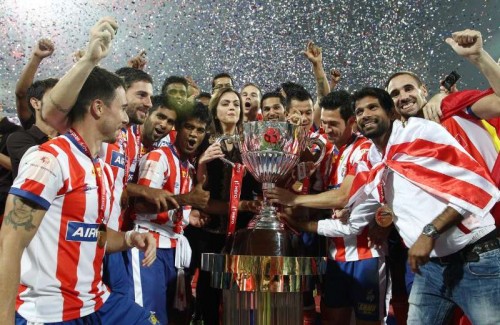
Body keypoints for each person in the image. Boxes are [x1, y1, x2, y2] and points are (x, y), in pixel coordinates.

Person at [284, 87, 500, 324]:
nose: (365, 114)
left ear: (391, 112)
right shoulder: (375, 162)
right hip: (431, 268)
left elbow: (474, 185)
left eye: (372, 107)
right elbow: (352, 223)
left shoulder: (420, 133)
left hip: (475, 258)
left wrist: (430, 232)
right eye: (360, 111)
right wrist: (302, 223)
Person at [0, 55, 157, 325]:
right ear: (97, 108)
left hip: (97, 302)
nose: (124, 117)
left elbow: (91, 234)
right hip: (48, 312)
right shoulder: (49, 159)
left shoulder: (102, 169)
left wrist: (131, 238)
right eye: (121, 108)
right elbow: (10, 243)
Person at [267, 91, 386, 324]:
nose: (327, 130)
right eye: (324, 124)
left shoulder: (363, 149)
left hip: (366, 255)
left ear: (351, 122)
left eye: (334, 124)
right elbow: (310, 185)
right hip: (335, 255)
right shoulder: (331, 154)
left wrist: (294, 200)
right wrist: (296, 138)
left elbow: (342, 196)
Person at [126, 102, 211, 325]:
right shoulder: (159, 158)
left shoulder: (188, 167)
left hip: (174, 249)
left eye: (200, 130)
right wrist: (186, 200)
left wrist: (188, 215)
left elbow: (174, 209)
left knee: (173, 318)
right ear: (177, 129)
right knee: (150, 317)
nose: (193, 134)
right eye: (188, 127)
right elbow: (141, 206)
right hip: (148, 245)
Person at [7, 78, 59, 179]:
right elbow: (47, 165)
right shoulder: (19, 139)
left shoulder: (71, 136)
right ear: (36, 103)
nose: (64, 103)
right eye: (56, 97)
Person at [15, 38, 55, 129]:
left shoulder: (71, 129)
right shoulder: (32, 127)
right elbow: (22, 94)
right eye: (52, 98)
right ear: (36, 103)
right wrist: (36, 57)